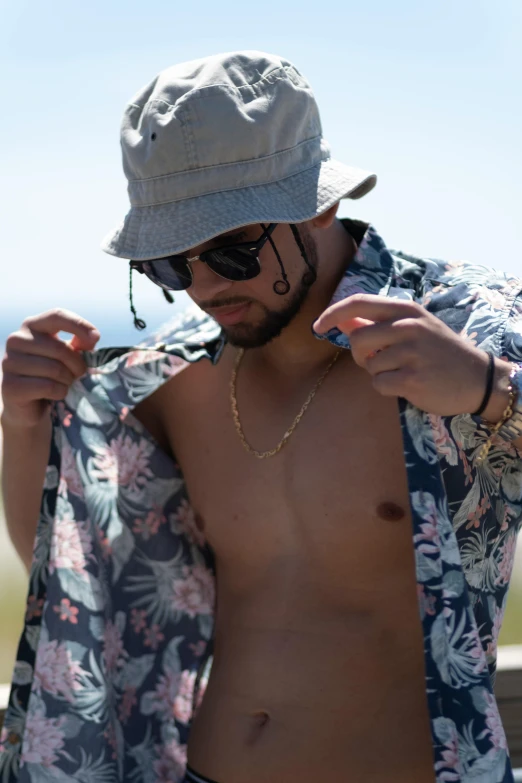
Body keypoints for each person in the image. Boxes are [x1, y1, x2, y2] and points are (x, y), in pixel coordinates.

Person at [1, 51, 522, 783]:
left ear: (318, 204)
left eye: (231, 248)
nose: (204, 287)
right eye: (170, 266)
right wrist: (23, 425)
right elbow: (77, 578)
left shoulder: (474, 330)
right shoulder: (169, 379)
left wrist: (492, 388)